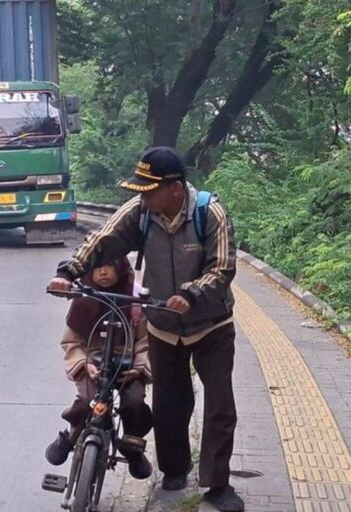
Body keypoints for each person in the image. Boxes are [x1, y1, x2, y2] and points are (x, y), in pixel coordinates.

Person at [47, 147, 243, 511]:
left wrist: (191, 293)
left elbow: (222, 267)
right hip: (163, 324)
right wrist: (69, 272)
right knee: (169, 402)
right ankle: (174, 469)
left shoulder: (210, 213)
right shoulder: (141, 212)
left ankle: (218, 484)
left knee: (219, 405)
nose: (143, 196)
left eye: (149, 190)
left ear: (175, 188)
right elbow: (103, 238)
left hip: (211, 325)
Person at [45, 258, 154, 479]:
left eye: (109, 267)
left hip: (127, 366)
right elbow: (71, 342)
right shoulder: (83, 300)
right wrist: (84, 363)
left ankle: (132, 447)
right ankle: (71, 436)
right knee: (87, 400)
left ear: (120, 269)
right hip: (91, 364)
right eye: (97, 268)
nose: (103, 272)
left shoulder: (134, 300)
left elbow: (145, 342)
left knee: (134, 402)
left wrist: (138, 367)